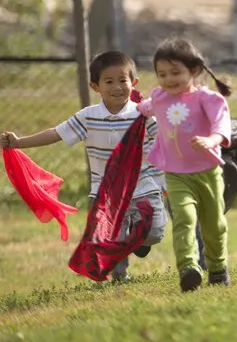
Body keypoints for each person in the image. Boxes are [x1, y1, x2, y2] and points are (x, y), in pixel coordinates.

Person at [0, 51, 169, 282]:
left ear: (134, 83)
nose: (117, 87)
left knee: (154, 233)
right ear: (95, 86)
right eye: (109, 81)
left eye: (123, 80)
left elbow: (167, 140)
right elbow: (55, 134)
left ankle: (139, 241)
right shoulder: (88, 117)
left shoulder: (144, 115)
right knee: (113, 239)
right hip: (106, 193)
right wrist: (19, 142)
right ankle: (120, 276)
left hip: (144, 186)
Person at [138, 37, 233, 292]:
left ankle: (217, 267)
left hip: (208, 174)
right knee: (184, 219)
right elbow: (147, 107)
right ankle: (189, 268)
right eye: (162, 74)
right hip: (175, 174)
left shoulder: (207, 99)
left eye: (175, 73)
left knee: (214, 226)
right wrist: (136, 105)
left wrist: (212, 139)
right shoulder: (159, 97)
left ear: (193, 70)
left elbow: (221, 124)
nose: (169, 79)